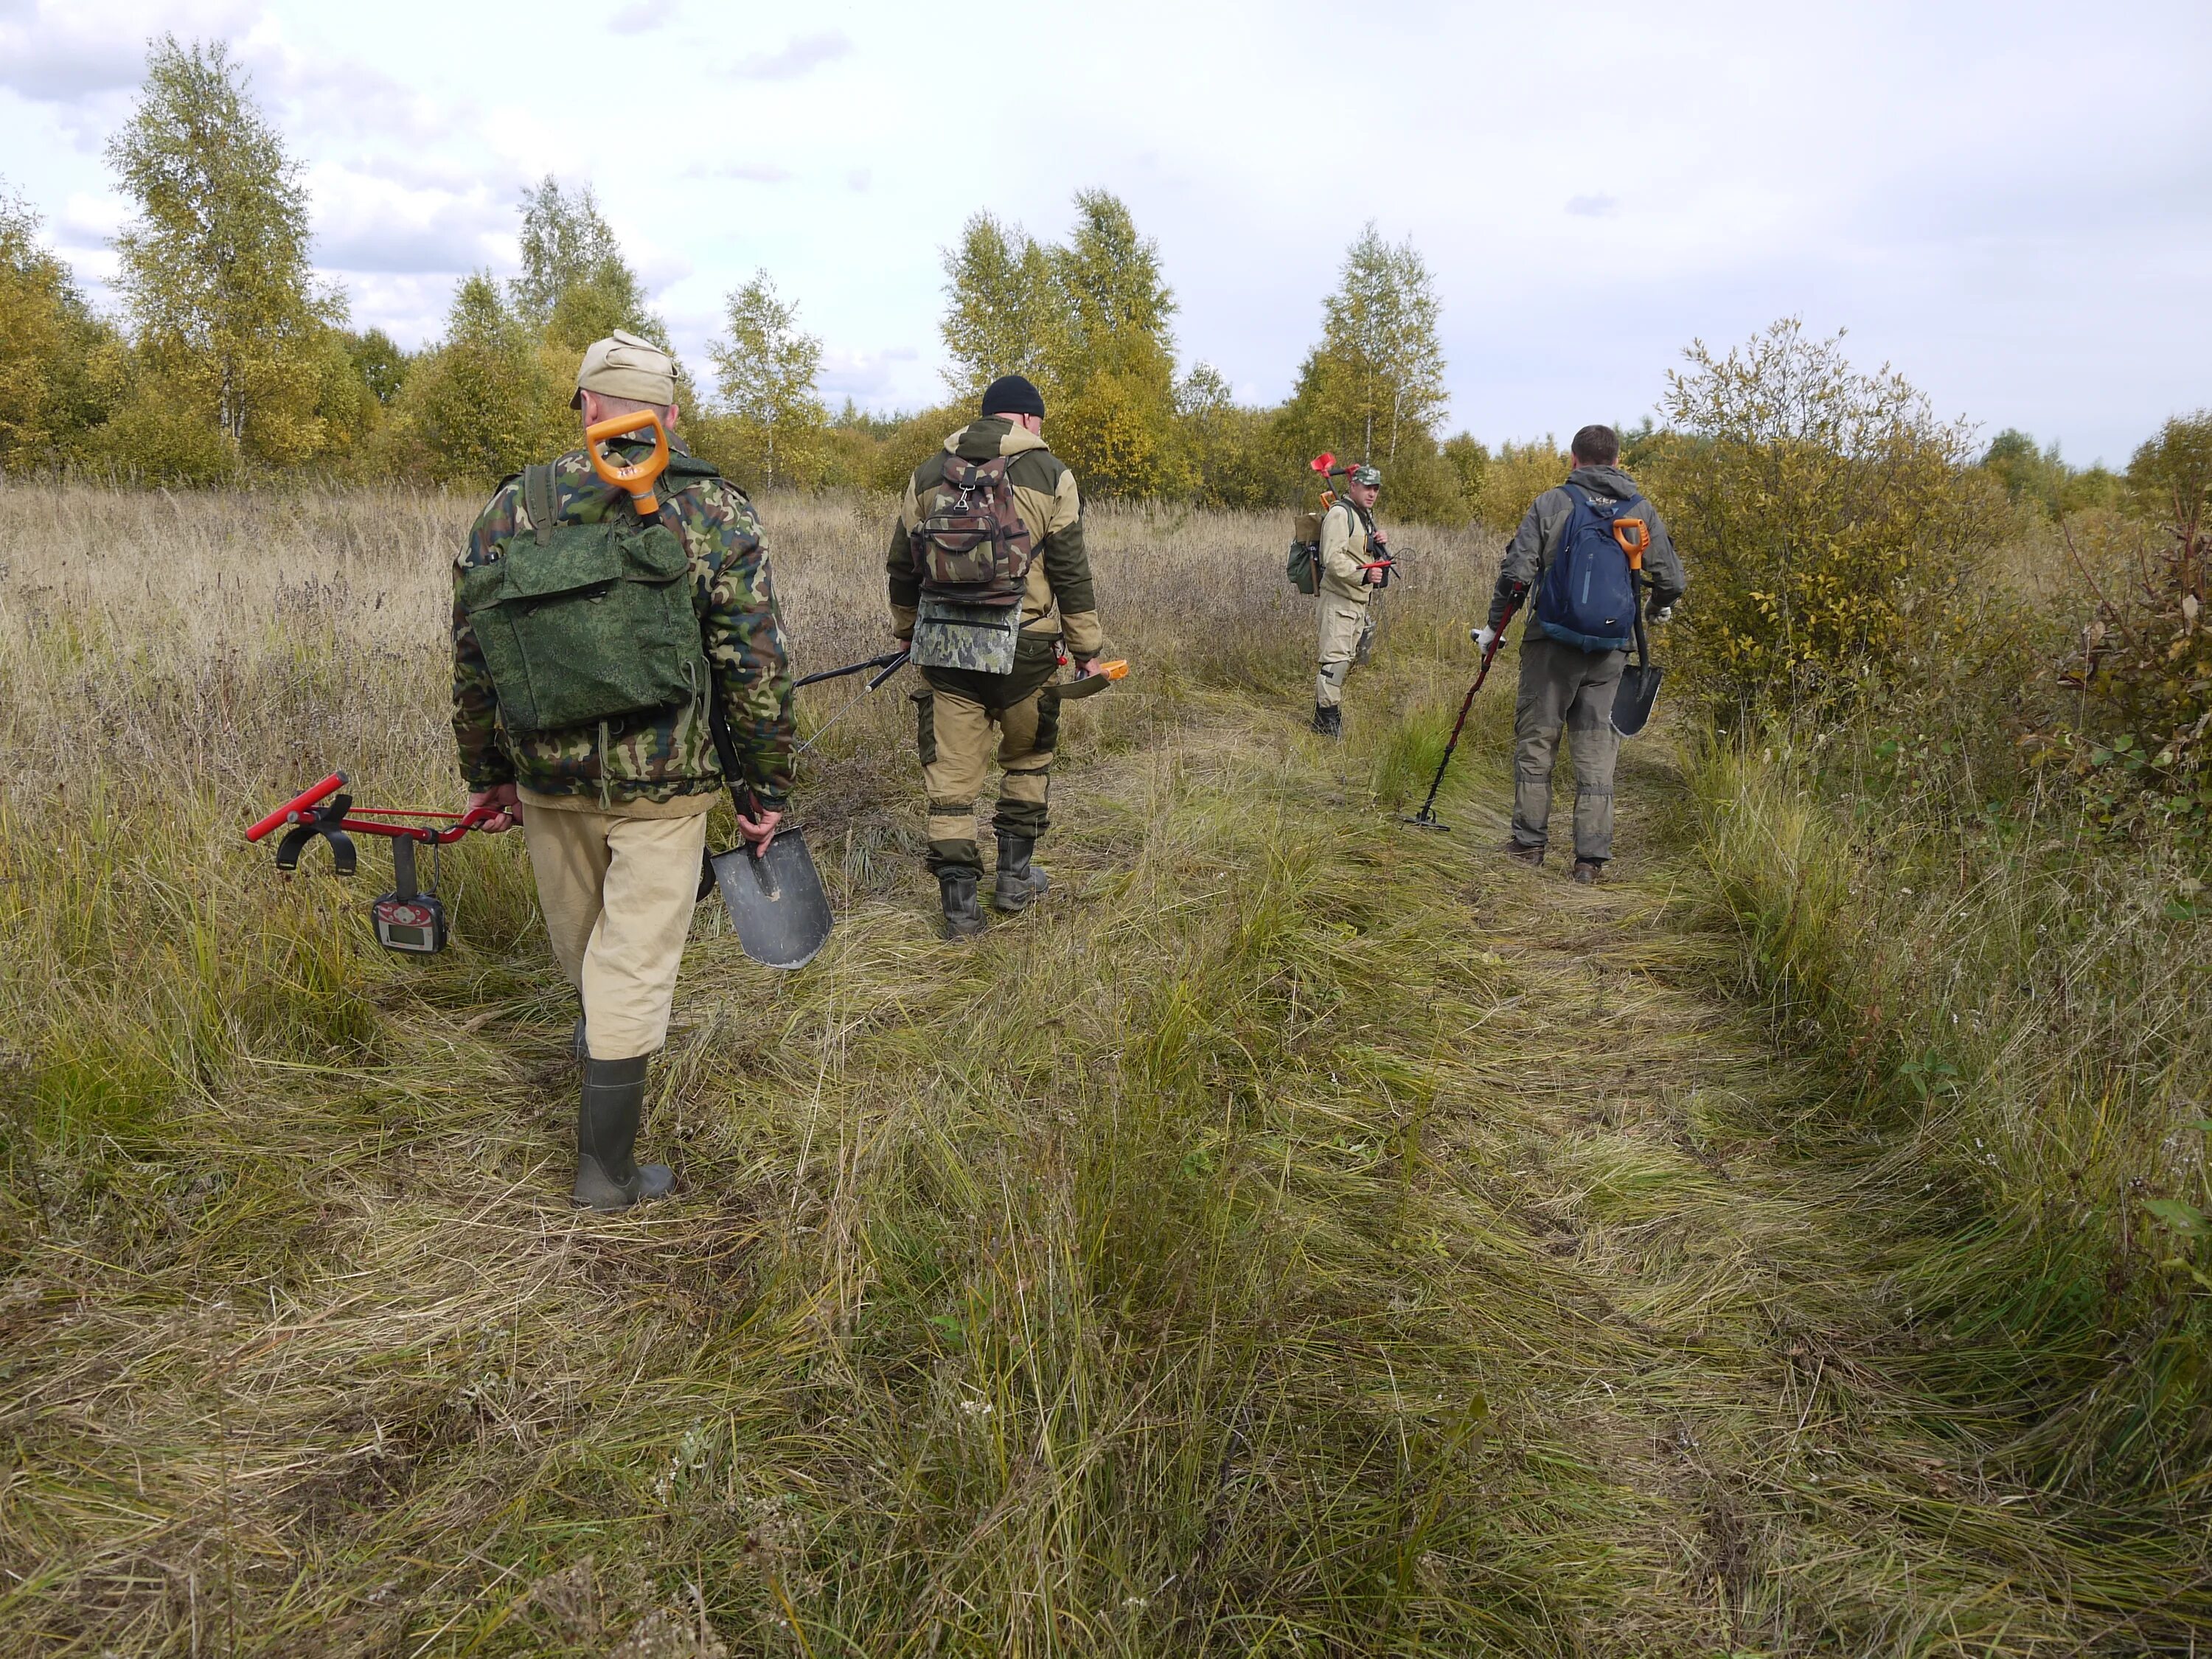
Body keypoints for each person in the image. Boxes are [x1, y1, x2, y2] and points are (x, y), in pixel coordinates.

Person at [451, 329, 797, 1208]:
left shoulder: (514, 508)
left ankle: (599, 1048)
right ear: (670, 415)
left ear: (588, 408)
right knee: (634, 966)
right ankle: (605, 1171)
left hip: (546, 778)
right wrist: (763, 789)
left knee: (589, 954)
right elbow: (754, 664)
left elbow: (473, 654)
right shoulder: (714, 511)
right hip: (665, 787)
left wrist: (485, 769)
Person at [886, 374, 1106, 937]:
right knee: (1028, 759)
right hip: (1026, 650)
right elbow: (1070, 570)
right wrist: (1089, 650)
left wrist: (908, 633)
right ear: (1029, 420)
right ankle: (1014, 880)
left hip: (945, 651)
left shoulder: (928, 472)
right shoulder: (1050, 473)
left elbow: (902, 566)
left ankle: (959, 910)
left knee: (952, 782)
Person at [1474, 423, 1684, 883]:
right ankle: (1589, 861)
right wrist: (1656, 607)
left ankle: (1528, 846)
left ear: (1574, 459)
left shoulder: (1552, 503)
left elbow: (1516, 574)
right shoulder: (1639, 509)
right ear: (1617, 459)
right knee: (1596, 753)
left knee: (1536, 744)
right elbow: (1672, 580)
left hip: (1550, 644)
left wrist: (1495, 627)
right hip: (1611, 654)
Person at [1312, 462, 1392, 737]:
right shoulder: (1339, 514)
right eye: (1367, 487)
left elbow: (1358, 551)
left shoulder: (1363, 517)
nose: (1372, 494)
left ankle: (1324, 711)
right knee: (1334, 661)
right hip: (1339, 600)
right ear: (1353, 486)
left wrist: (1376, 542)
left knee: (1344, 659)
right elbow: (1332, 559)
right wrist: (1364, 576)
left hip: (1357, 602)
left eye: (1376, 489)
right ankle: (1327, 720)